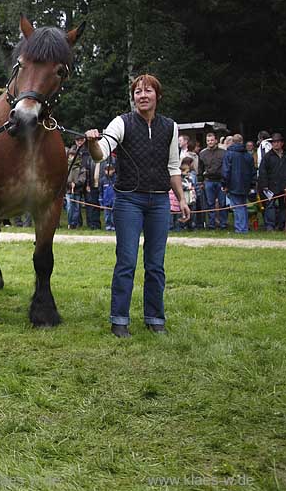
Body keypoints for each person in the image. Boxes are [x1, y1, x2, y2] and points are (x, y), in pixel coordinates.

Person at [85, 74, 189, 338]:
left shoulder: (170, 127)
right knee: (127, 261)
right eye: (138, 92)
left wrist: (182, 198)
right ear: (133, 98)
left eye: (148, 91)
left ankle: (155, 318)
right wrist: (92, 142)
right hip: (129, 200)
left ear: (158, 96)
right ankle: (119, 320)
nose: (142, 95)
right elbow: (101, 152)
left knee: (156, 264)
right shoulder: (122, 123)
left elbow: (173, 167)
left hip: (159, 202)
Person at [258, 133, 286, 231]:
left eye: (278, 142)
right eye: (274, 142)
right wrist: (264, 185)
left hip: (284, 185)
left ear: (282, 143)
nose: (275, 144)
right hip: (271, 186)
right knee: (270, 206)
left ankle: (282, 225)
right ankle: (270, 226)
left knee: (283, 207)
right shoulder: (268, 157)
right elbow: (262, 171)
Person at [222, 133, 254, 234]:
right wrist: (251, 184)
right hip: (245, 184)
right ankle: (243, 226)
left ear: (232, 142)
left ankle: (240, 229)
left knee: (237, 206)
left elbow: (226, 171)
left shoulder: (229, 154)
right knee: (243, 205)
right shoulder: (248, 155)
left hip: (233, 184)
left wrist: (224, 184)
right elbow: (252, 171)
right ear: (242, 141)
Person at [199, 131, 227, 229]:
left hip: (220, 181)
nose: (210, 142)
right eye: (208, 141)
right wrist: (200, 181)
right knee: (210, 204)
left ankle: (223, 224)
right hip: (208, 181)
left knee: (222, 204)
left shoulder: (223, 153)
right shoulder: (202, 154)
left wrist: (226, 182)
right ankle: (211, 224)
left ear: (216, 141)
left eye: (212, 140)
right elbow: (200, 169)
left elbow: (226, 168)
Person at [99, 162, 116, 230]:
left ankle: (114, 226)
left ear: (114, 170)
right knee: (107, 215)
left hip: (114, 201)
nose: (108, 171)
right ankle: (108, 226)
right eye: (106, 170)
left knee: (114, 215)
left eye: (110, 169)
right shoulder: (103, 180)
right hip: (106, 201)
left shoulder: (116, 179)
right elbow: (100, 192)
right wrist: (101, 202)